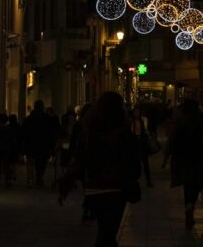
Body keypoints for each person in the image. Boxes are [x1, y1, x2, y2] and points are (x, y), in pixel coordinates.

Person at [59, 92, 141, 247]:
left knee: (106, 231)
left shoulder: (90, 132)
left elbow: (81, 159)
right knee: (108, 233)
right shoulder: (124, 134)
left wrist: (68, 179)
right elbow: (133, 162)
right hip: (117, 188)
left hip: (94, 188)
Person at [162, 99, 203, 229]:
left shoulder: (180, 123)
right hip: (197, 160)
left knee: (187, 185)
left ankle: (188, 206)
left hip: (182, 160)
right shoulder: (200, 123)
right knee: (195, 185)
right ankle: (190, 205)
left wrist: (166, 157)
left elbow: (172, 140)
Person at [22, 100, 53, 187]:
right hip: (43, 145)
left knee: (31, 163)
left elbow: (24, 132)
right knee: (41, 163)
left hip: (31, 144)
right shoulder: (46, 119)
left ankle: (31, 180)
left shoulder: (29, 119)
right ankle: (39, 178)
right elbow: (50, 133)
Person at [130, 107, 154, 188]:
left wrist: (149, 136)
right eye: (135, 112)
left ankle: (148, 181)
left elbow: (147, 130)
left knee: (145, 163)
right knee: (135, 163)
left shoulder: (143, 120)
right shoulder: (131, 121)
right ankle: (135, 180)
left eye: (137, 112)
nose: (136, 114)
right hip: (134, 142)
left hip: (142, 142)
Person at [0, 113, 15, 187]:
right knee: (6, 166)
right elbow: (12, 140)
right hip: (6, 150)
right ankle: (8, 181)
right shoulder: (9, 129)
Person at [7, 114, 22, 183]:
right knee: (15, 162)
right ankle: (14, 173)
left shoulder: (8, 127)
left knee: (9, 162)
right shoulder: (18, 127)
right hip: (16, 147)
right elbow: (21, 138)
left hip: (9, 147)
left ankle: (11, 173)